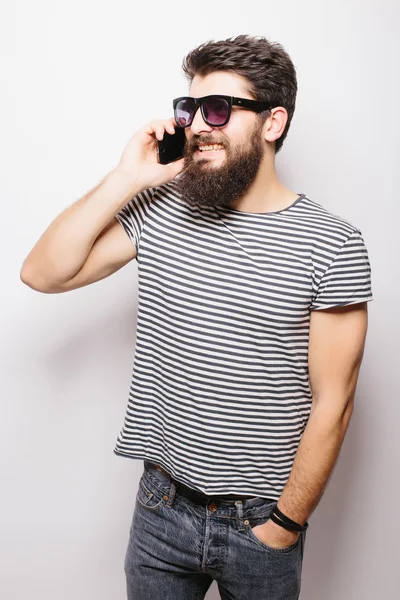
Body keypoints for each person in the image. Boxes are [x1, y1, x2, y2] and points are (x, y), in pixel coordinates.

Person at [20, 34, 373, 600]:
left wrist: (283, 526)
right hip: (160, 506)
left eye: (218, 110)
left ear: (273, 122)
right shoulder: (160, 209)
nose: (197, 125)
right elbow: (44, 273)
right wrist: (127, 178)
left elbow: (335, 401)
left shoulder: (331, 244)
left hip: (260, 524)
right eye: (189, 109)